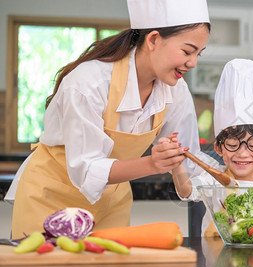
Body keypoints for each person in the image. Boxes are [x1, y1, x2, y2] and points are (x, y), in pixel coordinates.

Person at [7, 0, 210, 239]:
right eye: (187, 51)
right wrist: (153, 164)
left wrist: (234, 183)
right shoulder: (88, 83)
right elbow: (86, 168)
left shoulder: (176, 91)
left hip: (111, 204)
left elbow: (190, 162)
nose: (193, 63)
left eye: (198, 53)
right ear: (153, 39)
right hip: (50, 198)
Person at [164, 58, 253, 237]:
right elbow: (186, 192)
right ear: (219, 148)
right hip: (217, 258)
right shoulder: (214, 181)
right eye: (232, 145)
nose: (242, 153)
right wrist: (175, 164)